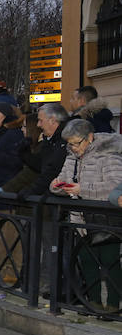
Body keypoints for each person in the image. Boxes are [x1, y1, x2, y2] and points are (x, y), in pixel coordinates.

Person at [50, 119, 122, 311]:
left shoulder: (109, 155)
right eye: (69, 144)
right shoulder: (72, 157)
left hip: (106, 220)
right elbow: (56, 182)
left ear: (89, 138)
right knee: (87, 262)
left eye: (76, 143)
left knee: (110, 263)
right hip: (79, 219)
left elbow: (115, 188)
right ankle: (93, 303)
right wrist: (60, 187)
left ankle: (114, 306)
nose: (73, 148)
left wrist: (83, 189)